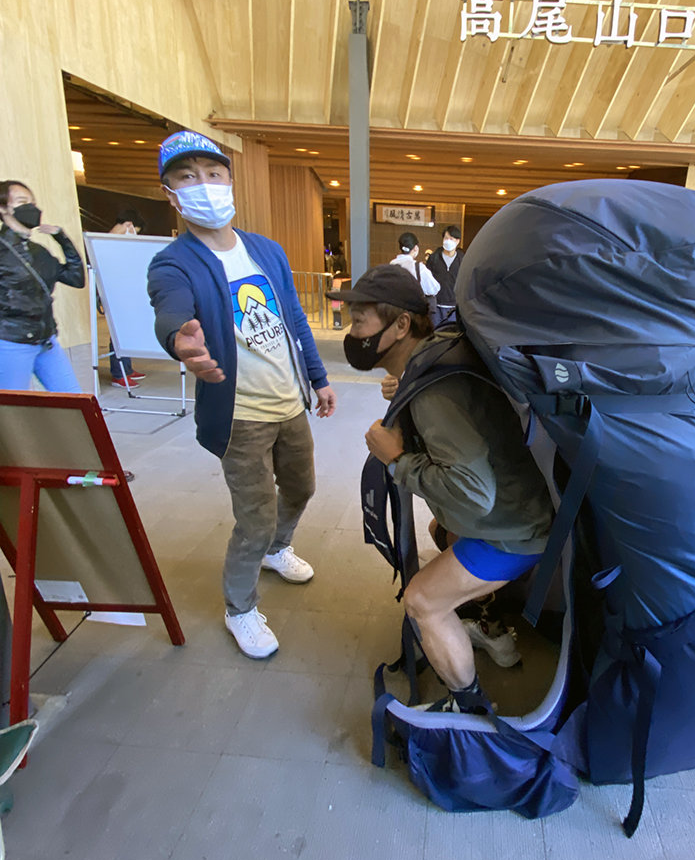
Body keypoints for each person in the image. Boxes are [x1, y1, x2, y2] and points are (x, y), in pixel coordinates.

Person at [147, 131, 337, 659]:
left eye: (212, 174)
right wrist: (178, 339)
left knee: (300, 488)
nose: (203, 186)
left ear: (229, 181)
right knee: (255, 514)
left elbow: (293, 320)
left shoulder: (265, 250)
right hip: (241, 416)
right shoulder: (173, 261)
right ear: (171, 193)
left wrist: (317, 377)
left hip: (288, 401)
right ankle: (241, 609)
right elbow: (170, 305)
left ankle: (279, 548)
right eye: (187, 177)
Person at [337, 264, 552, 712]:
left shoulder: (435, 391)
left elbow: (474, 492)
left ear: (400, 325)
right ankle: (493, 634)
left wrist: (396, 460)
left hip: (515, 531)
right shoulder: (436, 351)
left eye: (359, 321)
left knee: (421, 601)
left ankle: (469, 709)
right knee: (441, 530)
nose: (351, 331)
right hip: (523, 507)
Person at [0, 179, 84, 393]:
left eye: (33, 201)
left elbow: (76, 279)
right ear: (3, 208)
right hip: (11, 341)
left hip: (46, 339)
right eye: (22, 201)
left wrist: (62, 239)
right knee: (10, 411)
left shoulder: (39, 252)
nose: (32, 207)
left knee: (73, 399)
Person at [107, 209, 147, 387]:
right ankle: (119, 373)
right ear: (129, 225)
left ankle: (127, 369)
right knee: (117, 333)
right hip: (113, 292)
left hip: (123, 291)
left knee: (125, 330)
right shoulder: (106, 242)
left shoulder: (113, 241)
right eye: (135, 230)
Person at [391, 230, 440, 314]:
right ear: (416, 248)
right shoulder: (419, 268)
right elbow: (434, 288)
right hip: (413, 312)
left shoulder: (392, 264)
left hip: (395, 310)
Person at [425, 224, 464, 324]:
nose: (448, 241)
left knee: (451, 335)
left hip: (454, 307)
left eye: (451, 239)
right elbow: (427, 281)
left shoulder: (463, 260)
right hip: (436, 306)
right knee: (435, 335)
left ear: (458, 241)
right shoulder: (433, 258)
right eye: (446, 238)